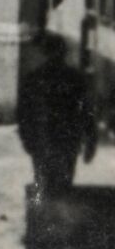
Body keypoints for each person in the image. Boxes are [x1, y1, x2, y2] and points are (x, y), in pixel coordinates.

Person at [18, 32, 96, 201]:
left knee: (47, 185)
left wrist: (28, 140)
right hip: (62, 142)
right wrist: (90, 141)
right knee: (61, 187)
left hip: (48, 141)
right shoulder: (74, 78)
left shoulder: (35, 78)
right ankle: (55, 224)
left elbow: (24, 114)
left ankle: (49, 224)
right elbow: (87, 113)